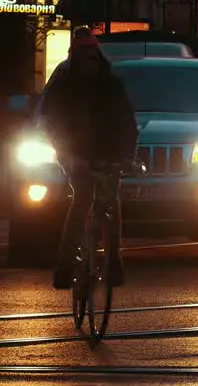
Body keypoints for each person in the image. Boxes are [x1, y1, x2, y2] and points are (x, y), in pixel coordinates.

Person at [41, 28, 138, 289]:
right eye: (84, 57)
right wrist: (68, 156)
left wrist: (127, 156)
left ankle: (114, 261)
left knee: (110, 202)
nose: (90, 63)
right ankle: (63, 269)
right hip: (75, 151)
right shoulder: (63, 84)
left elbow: (126, 122)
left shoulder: (111, 85)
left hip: (107, 152)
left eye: (93, 57)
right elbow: (52, 122)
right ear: (74, 58)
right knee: (82, 200)